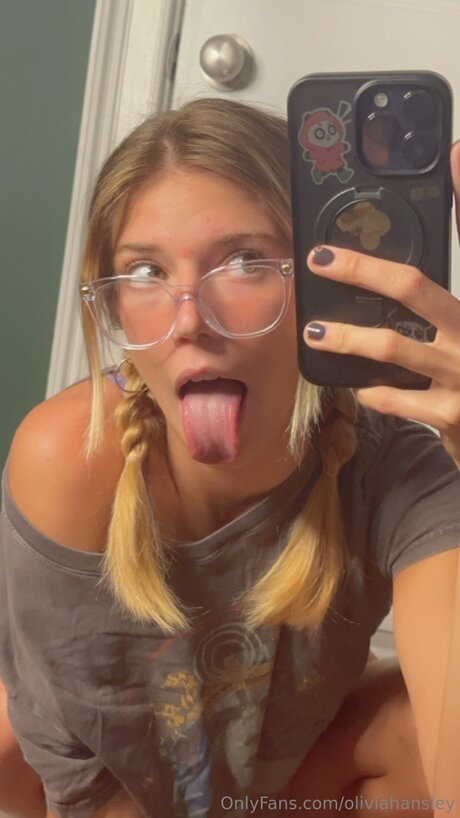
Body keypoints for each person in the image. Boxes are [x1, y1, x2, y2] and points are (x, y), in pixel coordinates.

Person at [0, 97, 460, 818]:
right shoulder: (70, 458)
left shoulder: (394, 470)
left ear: (326, 282)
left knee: (409, 732)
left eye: (245, 261)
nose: (190, 321)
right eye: (145, 271)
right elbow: (85, 778)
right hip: (140, 783)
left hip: (284, 780)